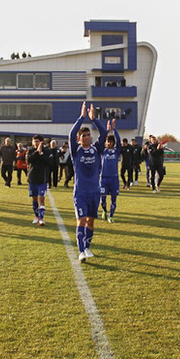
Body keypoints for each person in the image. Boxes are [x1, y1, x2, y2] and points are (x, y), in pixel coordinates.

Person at [70, 102, 108, 262]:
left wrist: (94, 120)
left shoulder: (96, 149)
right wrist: (82, 117)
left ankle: (87, 247)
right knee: (82, 220)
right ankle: (80, 251)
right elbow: (71, 134)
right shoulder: (76, 151)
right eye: (83, 136)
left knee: (91, 221)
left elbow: (105, 133)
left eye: (88, 135)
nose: (86, 137)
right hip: (81, 192)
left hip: (94, 192)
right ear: (79, 139)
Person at [27, 135, 51, 226]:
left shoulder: (47, 151)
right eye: (34, 141)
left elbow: (49, 162)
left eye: (37, 141)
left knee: (41, 199)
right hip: (32, 178)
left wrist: (41, 154)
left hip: (42, 179)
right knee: (34, 199)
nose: (35, 143)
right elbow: (29, 160)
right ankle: (36, 216)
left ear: (41, 142)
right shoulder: (30, 151)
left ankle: (41, 219)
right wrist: (37, 152)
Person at [100, 119, 120, 223]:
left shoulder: (116, 151)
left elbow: (119, 140)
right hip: (103, 178)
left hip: (114, 179)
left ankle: (111, 216)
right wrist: (107, 131)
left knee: (114, 199)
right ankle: (104, 211)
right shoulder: (103, 151)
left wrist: (114, 129)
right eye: (107, 141)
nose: (108, 143)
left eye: (110, 142)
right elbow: (101, 139)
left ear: (113, 143)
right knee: (102, 199)